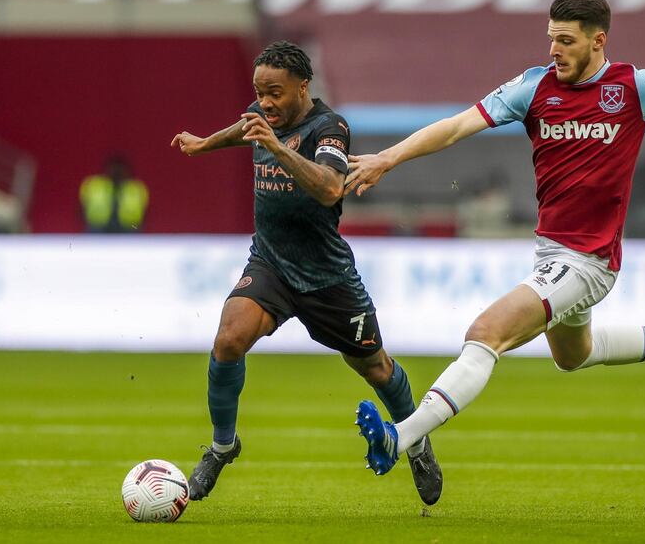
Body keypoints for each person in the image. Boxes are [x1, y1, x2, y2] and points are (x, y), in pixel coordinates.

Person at [346, 0, 645, 476]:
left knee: (485, 334)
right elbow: (457, 127)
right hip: (553, 256)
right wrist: (388, 158)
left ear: (597, 41)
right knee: (574, 355)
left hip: (590, 261)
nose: (553, 50)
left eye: (565, 41)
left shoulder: (636, 86)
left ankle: (399, 439)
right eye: (551, 39)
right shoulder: (533, 88)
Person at [170, 41, 442, 504]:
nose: (265, 103)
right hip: (271, 263)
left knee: (375, 368)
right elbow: (246, 129)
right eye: (259, 92)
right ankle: (222, 446)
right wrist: (203, 145)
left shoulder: (329, 128)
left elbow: (330, 187)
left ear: (302, 86)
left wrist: (276, 148)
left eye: (274, 92)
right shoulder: (264, 116)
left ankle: (416, 441)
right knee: (228, 339)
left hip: (326, 277)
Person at [79, 154, 149, 233]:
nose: (116, 173)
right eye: (114, 170)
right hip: (97, 227)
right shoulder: (93, 185)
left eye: (120, 170)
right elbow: (81, 209)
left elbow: (145, 213)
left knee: (134, 231)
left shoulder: (136, 187)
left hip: (129, 227)